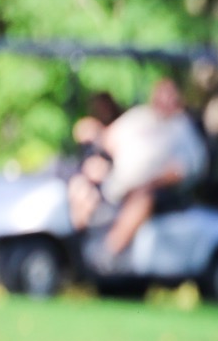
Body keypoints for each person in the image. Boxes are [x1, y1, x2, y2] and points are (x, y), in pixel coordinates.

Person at [75, 77, 208, 257]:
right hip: (117, 181)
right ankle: (73, 248)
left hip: (156, 189)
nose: (164, 100)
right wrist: (90, 132)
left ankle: (108, 253)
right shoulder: (141, 117)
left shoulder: (182, 129)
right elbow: (108, 138)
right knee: (80, 185)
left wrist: (149, 182)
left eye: (169, 96)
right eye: (161, 94)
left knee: (142, 198)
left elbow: (183, 169)